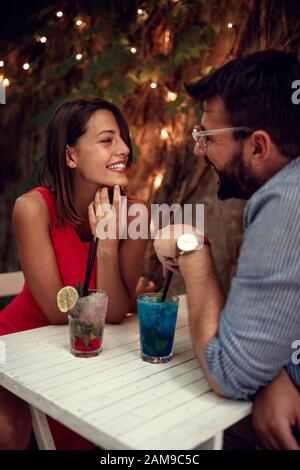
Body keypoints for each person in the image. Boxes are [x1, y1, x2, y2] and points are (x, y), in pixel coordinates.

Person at [154, 49, 300, 449]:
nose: (199, 150)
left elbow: (229, 371)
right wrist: (282, 376)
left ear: (257, 146)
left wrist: (191, 247)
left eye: (207, 137)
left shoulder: (287, 200)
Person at [0, 98, 149, 449]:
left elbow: (113, 315)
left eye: (123, 139)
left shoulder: (137, 213)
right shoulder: (32, 208)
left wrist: (108, 245)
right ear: (71, 156)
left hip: (82, 355)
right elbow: (55, 310)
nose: (124, 149)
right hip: (17, 347)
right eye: (107, 140)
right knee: (9, 435)